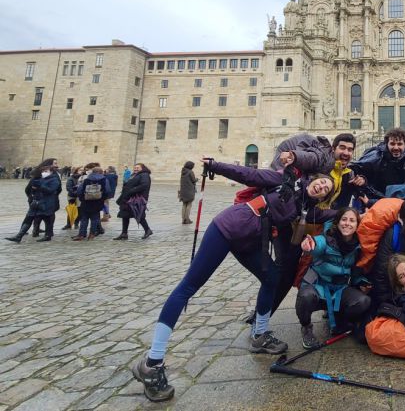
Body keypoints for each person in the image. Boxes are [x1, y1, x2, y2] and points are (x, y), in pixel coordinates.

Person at [132, 159, 335, 402]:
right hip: (228, 227)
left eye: (326, 189)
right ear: (313, 180)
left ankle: (259, 335)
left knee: (271, 277)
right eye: (321, 182)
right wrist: (215, 166)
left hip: (250, 241)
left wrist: (363, 211)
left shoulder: (306, 209)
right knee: (188, 287)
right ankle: (152, 363)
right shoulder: (283, 181)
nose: (322, 187)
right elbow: (249, 174)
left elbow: (334, 214)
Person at [297, 208, 370, 348]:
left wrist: (362, 283)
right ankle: (306, 327)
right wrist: (309, 244)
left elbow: (356, 272)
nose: (347, 223)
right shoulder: (326, 238)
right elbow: (317, 244)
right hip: (318, 287)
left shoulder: (358, 246)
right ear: (337, 222)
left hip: (340, 290)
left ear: (357, 225)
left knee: (363, 301)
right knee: (305, 297)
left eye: (352, 220)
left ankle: (340, 318)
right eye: (344, 219)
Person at [350, 128, 405, 195]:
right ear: (386, 144)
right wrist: (362, 179)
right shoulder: (375, 156)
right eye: (392, 144)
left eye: (399, 144)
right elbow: (356, 169)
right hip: (379, 198)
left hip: (404, 197)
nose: (396, 147)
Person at [5, 158, 61, 243]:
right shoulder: (39, 177)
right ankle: (19, 236)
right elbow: (30, 189)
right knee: (29, 218)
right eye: (43, 170)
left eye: (46, 170)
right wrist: (33, 193)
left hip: (47, 202)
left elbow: (52, 190)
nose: (44, 172)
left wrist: (40, 187)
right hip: (36, 202)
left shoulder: (54, 178)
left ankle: (48, 235)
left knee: (48, 218)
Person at [114, 163, 152, 240]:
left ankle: (147, 230)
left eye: (137, 167)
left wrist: (131, 191)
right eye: (134, 168)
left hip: (136, 199)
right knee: (125, 215)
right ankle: (124, 233)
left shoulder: (144, 175)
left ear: (142, 168)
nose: (135, 169)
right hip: (128, 198)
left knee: (138, 214)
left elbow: (144, 185)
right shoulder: (135, 175)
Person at [74, 166, 108, 240]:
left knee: (84, 219)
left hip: (86, 202)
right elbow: (107, 191)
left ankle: (81, 235)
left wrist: (82, 198)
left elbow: (80, 190)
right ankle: (92, 235)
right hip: (97, 202)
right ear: (101, 172)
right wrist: (102, 199)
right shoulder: (104, 180)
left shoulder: (87, 179)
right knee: (95, 219)